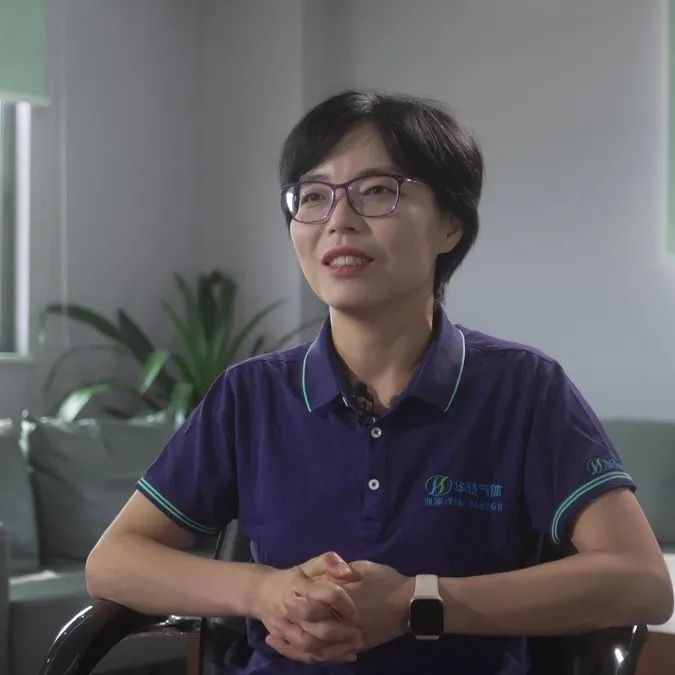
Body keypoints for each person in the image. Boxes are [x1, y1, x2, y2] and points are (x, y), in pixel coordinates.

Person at [85, 90, 673, 675]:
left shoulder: (523, 389)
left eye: (375, 191)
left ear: (450, 224)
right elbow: (113, 560)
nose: (338, 220)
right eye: (313, 196)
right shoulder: (251, 395)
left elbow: (642, 582)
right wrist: (265, 592)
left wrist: (415, 602)